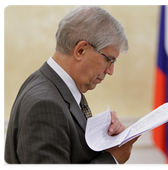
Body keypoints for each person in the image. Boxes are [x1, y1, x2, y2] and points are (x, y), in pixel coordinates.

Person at [4, 4, 138, 165]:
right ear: (81, 50)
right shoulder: (45, 105)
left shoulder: (48, 84)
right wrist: (112, 159)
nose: (110, 71)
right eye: (108, 59)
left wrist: (104, 139)